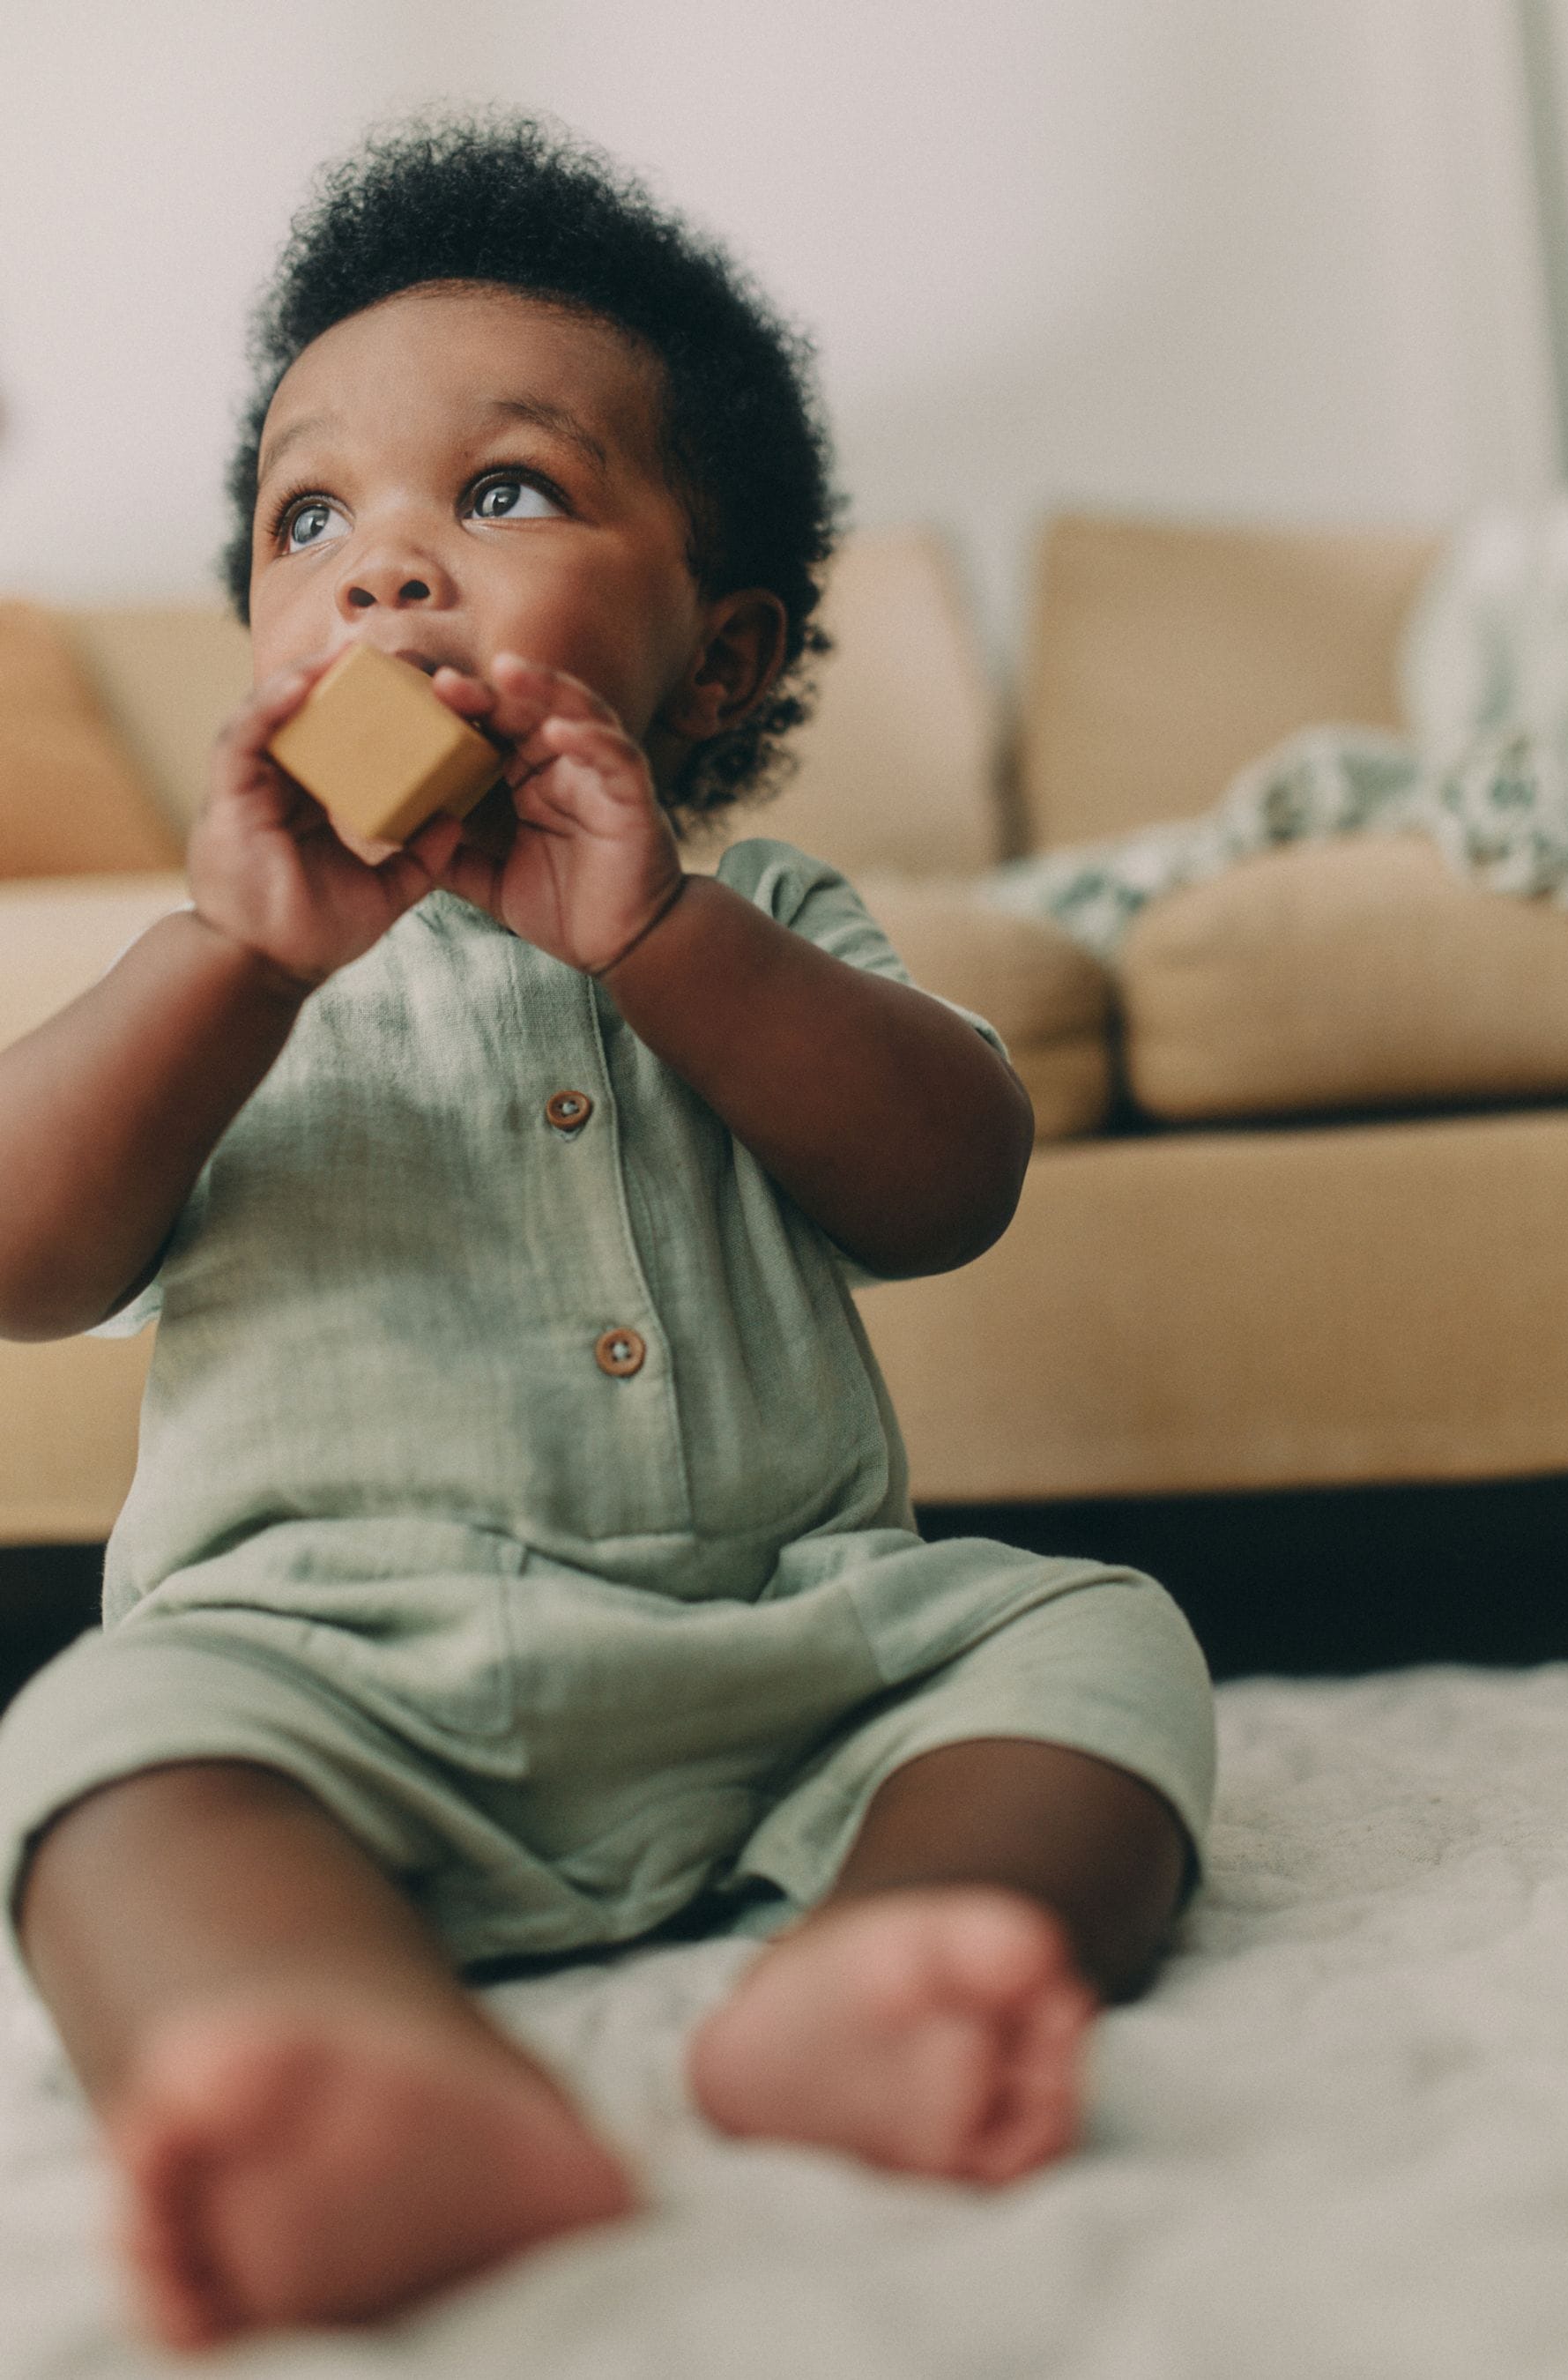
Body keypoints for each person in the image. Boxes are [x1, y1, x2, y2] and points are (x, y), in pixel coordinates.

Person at [0, 116, 1215, 2352]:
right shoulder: (215, 973)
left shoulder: (761, 926)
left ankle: (887, 1956)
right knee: (102, 1754)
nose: (385, 569)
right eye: (310, 517)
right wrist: (235, 965)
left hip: (797, 1640)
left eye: (504, 494)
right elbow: (23, 1255)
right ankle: (319, 2053)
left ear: (718, 661)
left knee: (1096, 1644)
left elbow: (949, 1183)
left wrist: (662, 939)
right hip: (331, 1670)